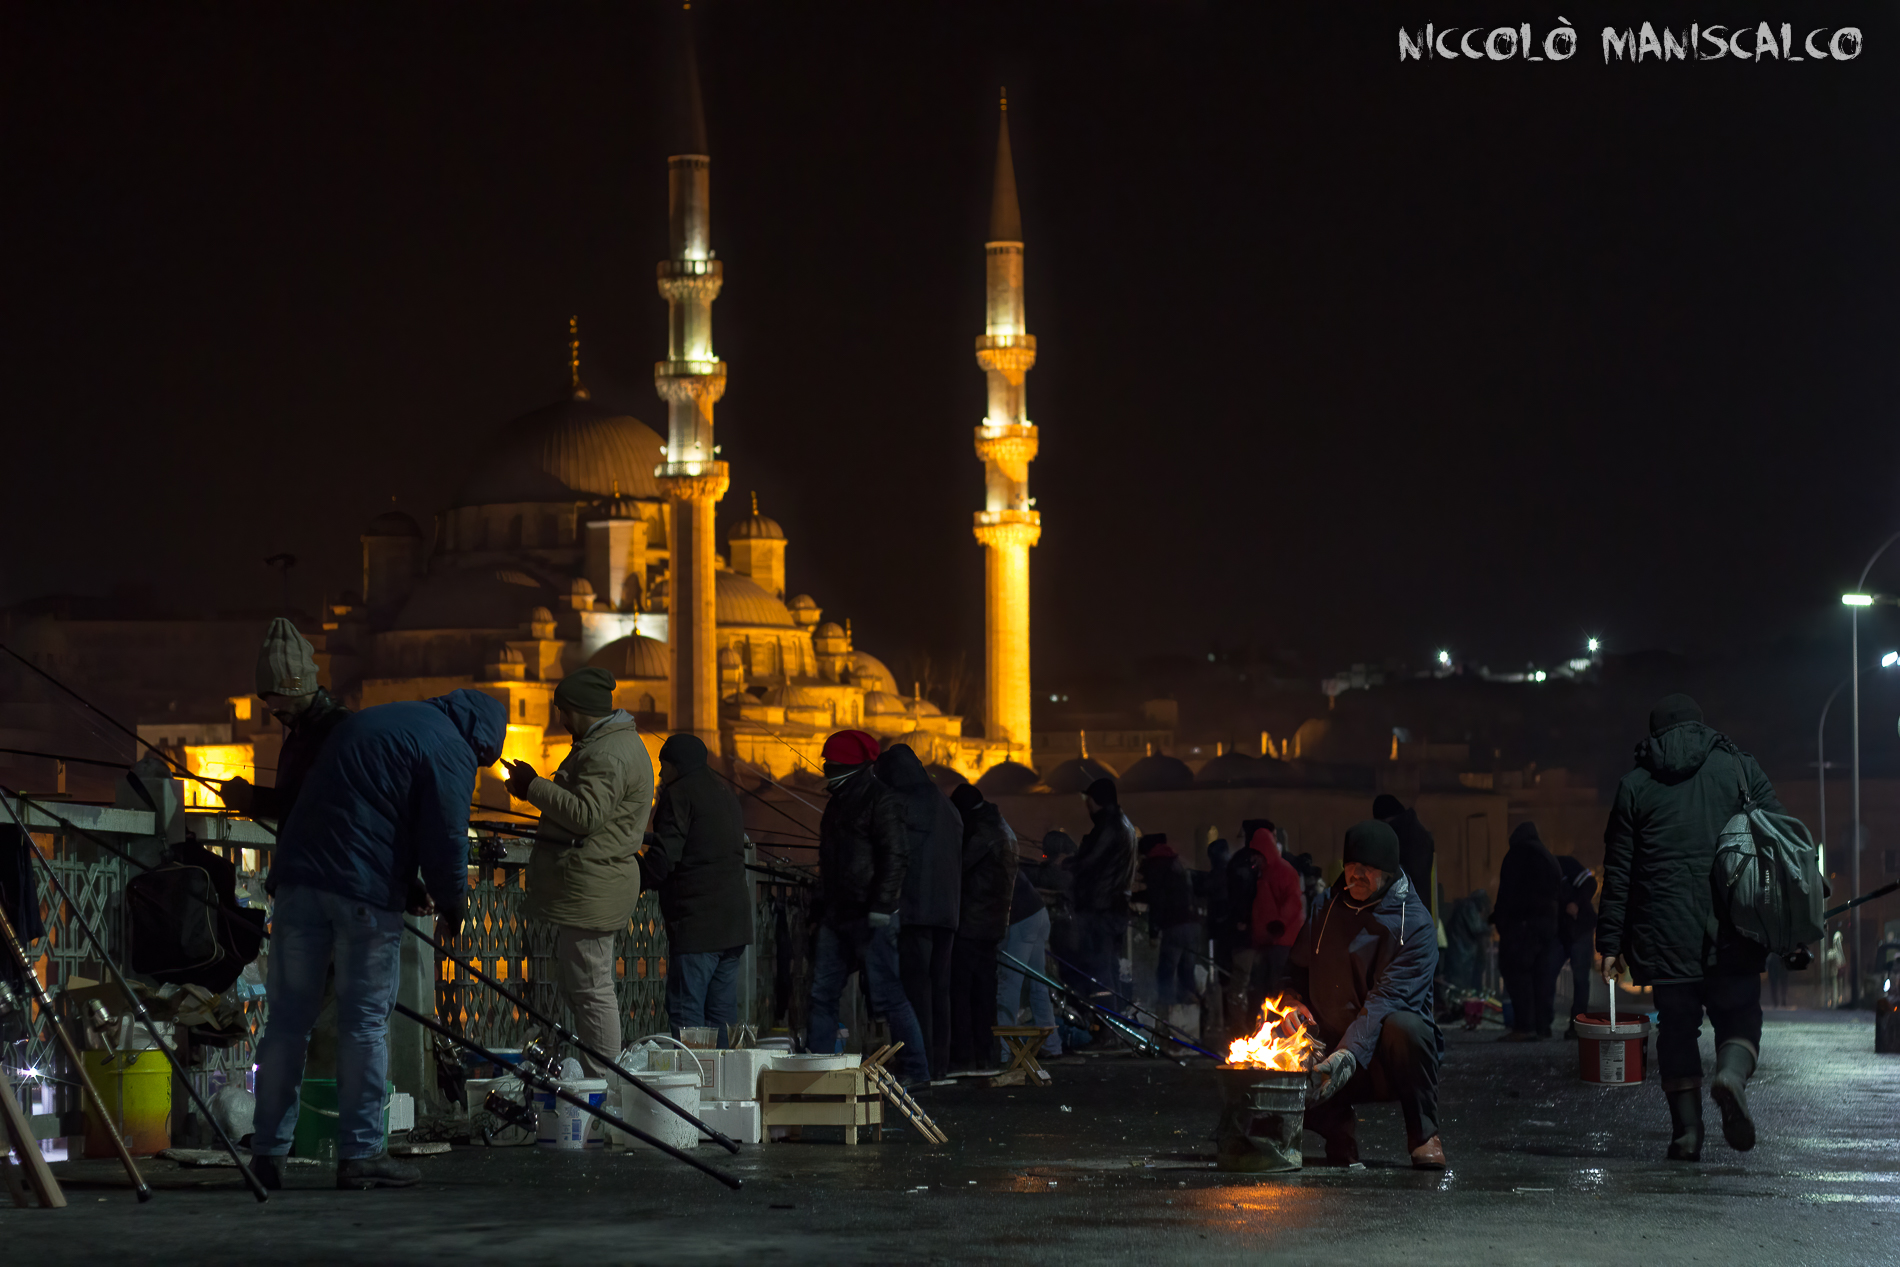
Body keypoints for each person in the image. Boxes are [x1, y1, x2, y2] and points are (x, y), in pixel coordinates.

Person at [250, 689, 505, 1191]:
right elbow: (447, 835)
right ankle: (362, 1152)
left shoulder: (377, 722)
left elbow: (357, 816)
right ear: (481, 740)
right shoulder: (450, 745)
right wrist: (453, 904)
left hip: (299, 882)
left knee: (286, 1023)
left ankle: (267, 1153)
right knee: (364, 1024)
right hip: (362, 899)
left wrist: (406, 887)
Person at [1599, 694, 1780, 1161]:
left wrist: (1609, 944)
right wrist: (1788, 926)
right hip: (1733, 928)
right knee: (1739, 1018)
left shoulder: (1634, 785)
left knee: (1677, 1031)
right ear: (1703, 728)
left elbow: (1618, 872)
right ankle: (1731, 1076)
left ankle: (1687, 1134)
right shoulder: (1739, 768)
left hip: (1662, 935)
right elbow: (1777, 843)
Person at [502, 667, 654, 1077]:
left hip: (595, 886)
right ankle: (595, 1077)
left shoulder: (608, 753)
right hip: (590, 885)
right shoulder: (607, 745)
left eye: (563, 711)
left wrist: (533, 786)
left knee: (591, 988)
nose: (560, 720)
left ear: (578, 710)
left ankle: (602, 1082)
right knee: (583, 985)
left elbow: (586, 814)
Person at [1291, 819, 1445, 1170]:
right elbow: (1294, 970)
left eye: (1369, 869)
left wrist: (1346, 1055)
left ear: (1388, 873)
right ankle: (1336, 1128)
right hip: (1329, 1042)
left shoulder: (1415, 925)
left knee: (1407, 1028)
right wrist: (1292, 1002)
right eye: (1351, 866)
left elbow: (1386, 1000)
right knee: (1276, 1055)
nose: (1357, 875)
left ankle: (1424, 1134)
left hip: (1383, 1056)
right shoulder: (1325, 909)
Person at [805, 730, 929, 1085]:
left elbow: (896, 856)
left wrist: (881, 904)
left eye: (830, 762)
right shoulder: (839, 801)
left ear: (845, 764)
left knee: (889, 996)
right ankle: (818, 1073)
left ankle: (917, 1071)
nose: (825, 767)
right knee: (822, 993)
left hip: (870, 915)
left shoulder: (880, 800)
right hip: (837, 914)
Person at [646, 731, 751, 1046]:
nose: (662, 774)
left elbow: (665, 856)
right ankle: (723, 1087)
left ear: (677, 766)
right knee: (721, 1016)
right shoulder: (724, 791)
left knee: (687, 1013)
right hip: (734, 925)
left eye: (664, 766)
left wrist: (633, 876)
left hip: (698, 925)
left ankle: (690, 1088)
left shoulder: (679, 794)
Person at [876, 744, 962, 1082]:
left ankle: (919, 1063)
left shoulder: (903, 801)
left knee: (916, 991)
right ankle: (939, 1063)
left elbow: (890, 848)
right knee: (940, 989)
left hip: (915, 909)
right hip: (948, 912)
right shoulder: (946, 804)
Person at [221, 617, 351, 821]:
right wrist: (249, 799)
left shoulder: (342, 733)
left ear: (293, 688)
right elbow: (290, 805)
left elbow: (328, 808)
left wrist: (254, 800)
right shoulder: (296, 740)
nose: (271, 708)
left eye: (274, 697)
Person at [947, 781, 1018, 1074]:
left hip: (972, 924)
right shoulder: (1000, 827)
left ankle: (964, 1056)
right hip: (993, 924)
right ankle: (986, 1055)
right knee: (985, 993)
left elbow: (957, 868)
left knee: (962, 993)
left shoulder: (980, 832)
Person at [1226, 825, 1306, 1032]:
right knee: (1262, 991)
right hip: (1266, 942)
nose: (1254, 859)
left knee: (1277, 989)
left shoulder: (1282, 871)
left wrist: (1279, 923)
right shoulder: (1264, 873)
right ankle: (1265, 1032)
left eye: (1257, 854)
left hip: (1281, 942)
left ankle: (1281, 1032)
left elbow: (1293, 901)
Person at [1491, 821, 1563, 1041]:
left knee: (1517, 973)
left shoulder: (1518, 855)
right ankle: (1542, 1026)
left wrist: (1502, 920)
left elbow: (1509, 892)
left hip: (1522, 925)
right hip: (1546, 926)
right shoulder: (1548, 857)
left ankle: (1525, 1026)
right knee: (1541, 978)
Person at [1070, 778, 1137, 1003]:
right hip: (1114, 907)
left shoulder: (1109, 826)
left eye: (1087, 799)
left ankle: (1106, 1027)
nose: (1086, 805)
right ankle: (1115, 1023)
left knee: (1100, 971)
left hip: (1102, 908)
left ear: (1096, 800)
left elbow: (1091, 861)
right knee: (1109, 965)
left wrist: (1066, 864)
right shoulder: (1124, 823)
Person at [997, 849, 1059, 1062]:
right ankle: (1051, 1044)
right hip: (1038, 914)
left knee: (1009, 983)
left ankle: (1003, 1049)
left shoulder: (983, 855)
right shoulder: (1004, 851)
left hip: (1021, 920)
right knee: (1038, 983)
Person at [1138, 834, 1198, 1017]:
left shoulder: (1155, 866)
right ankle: (1192, 1016)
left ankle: (1167, 1016)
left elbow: (1157, 900)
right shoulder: (1176, 863)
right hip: (1191, 923)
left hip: (1173, 926)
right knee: (1187, 971)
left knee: (1166, 971)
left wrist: (1153, 931)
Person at [1372, 794, 1437, 922]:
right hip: (1419, 912)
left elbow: (1403, 877)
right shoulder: (1415, 832)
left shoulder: (1400, 837)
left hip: (1406, 915)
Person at [1556, 855, 1598, 1035]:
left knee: (1580, 979)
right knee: (1548, 974)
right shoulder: (1540, 871)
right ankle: (1541, 1024)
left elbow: (1590, 883)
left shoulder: (1563, 865)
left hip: (1579, 928)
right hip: (1560, 931)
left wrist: (1576, 903)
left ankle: (1577, 1025)